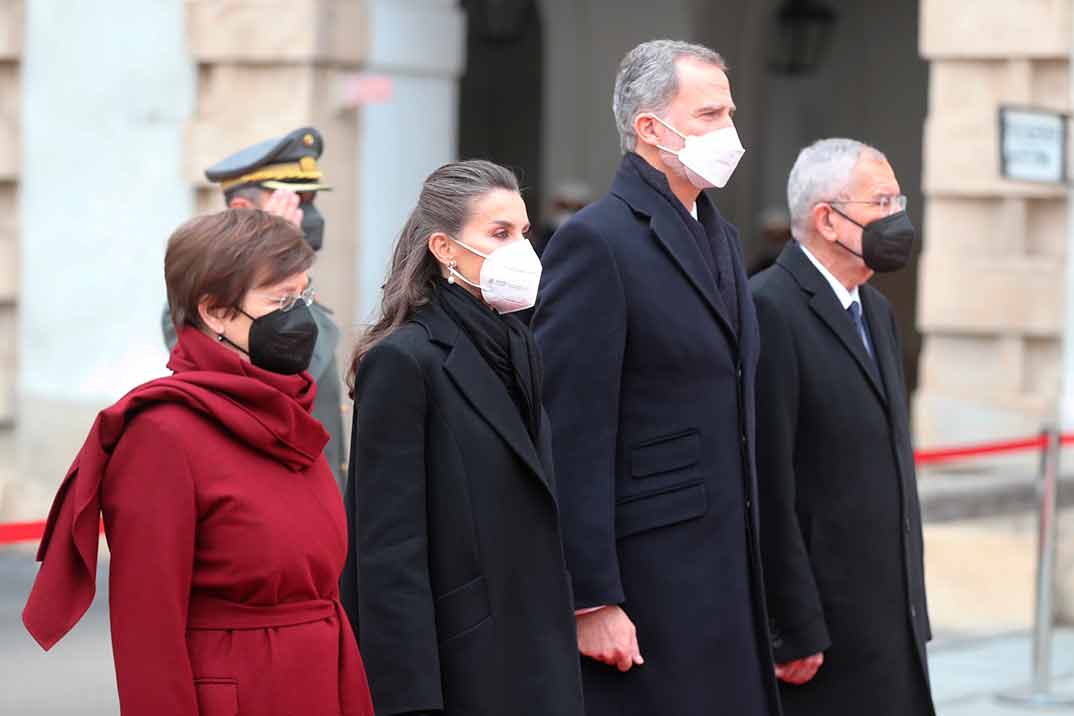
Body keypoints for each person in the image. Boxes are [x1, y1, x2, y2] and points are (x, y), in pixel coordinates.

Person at [23, 209, 374, 716]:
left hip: (323, 681)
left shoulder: (290, 409)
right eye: (281, 301)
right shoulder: (161, 434)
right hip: (239, 693)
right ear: (214, 311)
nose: (300, 317)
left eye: (305, 296)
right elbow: (148, 631)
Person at [531, 40, 779, 715]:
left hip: (727, 564)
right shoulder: (597, 241)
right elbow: (570, 428)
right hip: (650, 582)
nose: (729, 131)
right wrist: (591, 598)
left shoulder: (720, 235)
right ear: (649, 127)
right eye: (709, 114)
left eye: (729, 111)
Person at [339, 160, 584, 716]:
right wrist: (409, 699)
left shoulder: (518, 344)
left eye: (523, 233)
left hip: (535, 648)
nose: (522, 249)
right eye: (499, 234)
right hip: (464, 665)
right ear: (445, 250)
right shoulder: (403, 361)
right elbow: (389, 553)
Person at [750, 138, 935, 715]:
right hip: (824, 639)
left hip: (892, 622)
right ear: (827, 219)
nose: (897, 219)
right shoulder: (770, 309)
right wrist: (792, 624)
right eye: (882, 202)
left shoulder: (874, 308)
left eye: (898, 200)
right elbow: (769, 484)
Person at [162, 126, 347, 491]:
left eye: (311, 201)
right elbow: (289, 371)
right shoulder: (199, 300)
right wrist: (277, 253)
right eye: (296, 202)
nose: (308, 217)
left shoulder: (299, 287)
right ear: (243, 209)